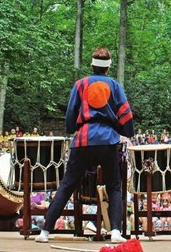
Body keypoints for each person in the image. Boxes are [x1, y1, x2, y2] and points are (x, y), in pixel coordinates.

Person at [36, 47, 134, 244]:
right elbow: (125, 113)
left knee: (66, 185)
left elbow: (71, 112)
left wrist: (72, 129)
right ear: (108, 68)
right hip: (107, 140)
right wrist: (127, 133)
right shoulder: (114, 86)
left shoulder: (81, 84)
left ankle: (45, 232)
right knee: (114, 186)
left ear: (92, 65)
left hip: (83, 139)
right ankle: (115, 231)